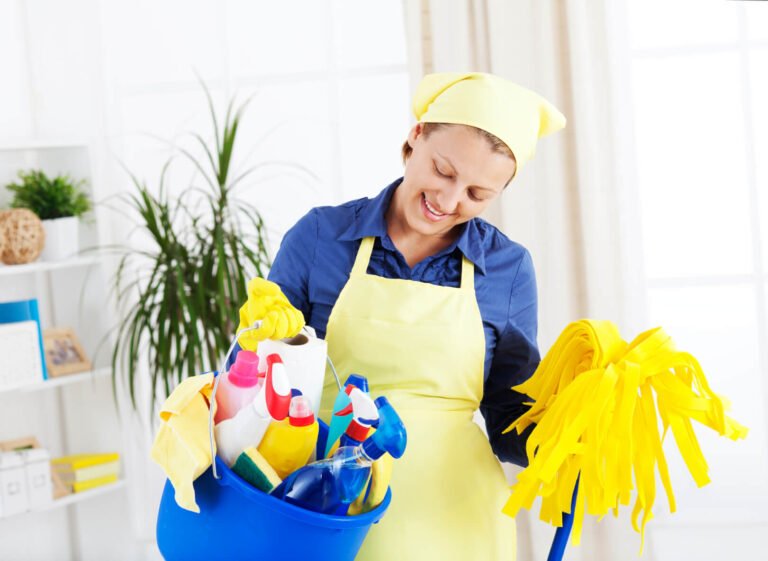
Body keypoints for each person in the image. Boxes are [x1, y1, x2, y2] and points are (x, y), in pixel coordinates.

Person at [238, 72, 566, 560]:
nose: (450, 202)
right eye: (443, 171)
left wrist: (568, 441)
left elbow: (507, 413)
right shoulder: (321, 238)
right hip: (327, 508)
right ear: (414, 139)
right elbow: (259, 388)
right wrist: (259, 339)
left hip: (457, 517)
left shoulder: (508, 269)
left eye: (478, 195)